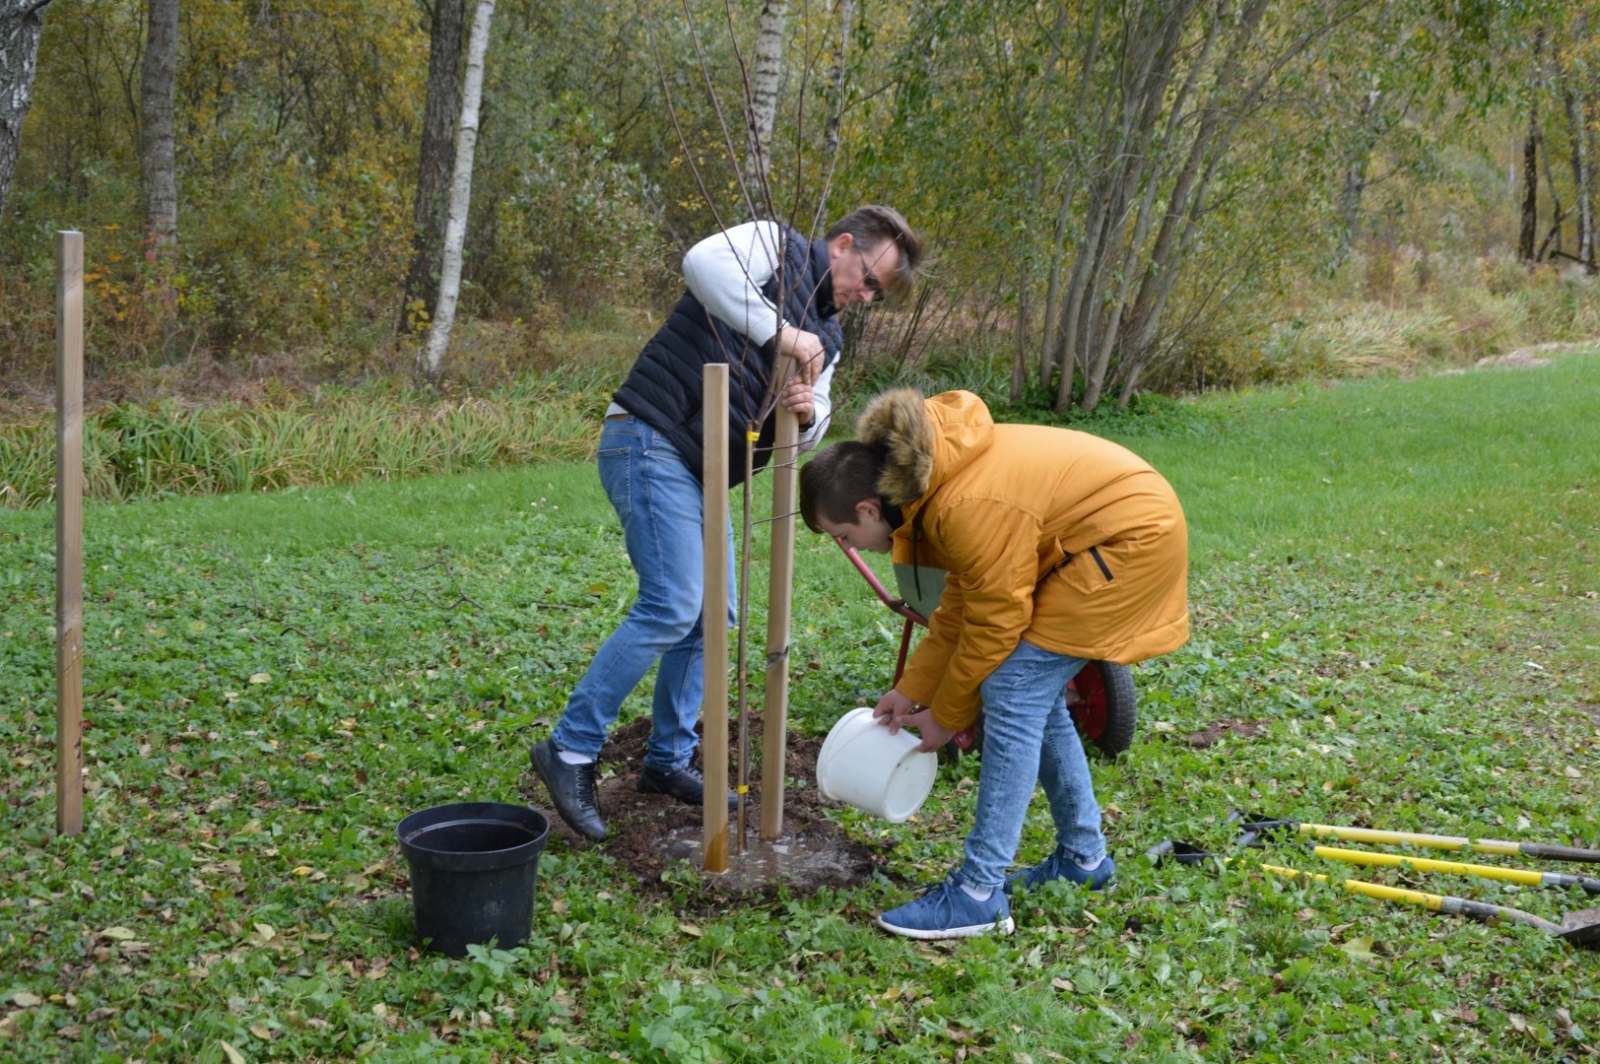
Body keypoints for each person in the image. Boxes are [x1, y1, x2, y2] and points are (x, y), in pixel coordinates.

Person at [530, 207, 924, 842]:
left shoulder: (828, 334)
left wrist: (808, 407)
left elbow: (814, 416)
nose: (865, 296)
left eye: (876, 293)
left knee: (719, 616)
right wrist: (782, 334)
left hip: (707, 470)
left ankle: (665, 760)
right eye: (869, 279)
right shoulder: (775, 245)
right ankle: (570, 750)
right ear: (845, 245)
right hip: (651, 438)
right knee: (675, 603)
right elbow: (701, 265)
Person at [798, 388, 1188, 939]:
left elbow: (994, 624)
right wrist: (912, 690)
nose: (848, 543)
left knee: (1013, 691)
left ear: (867, 509)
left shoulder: (962, 505)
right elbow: (962, 602)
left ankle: (979, 893)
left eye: (844, 535)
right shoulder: (937, 486)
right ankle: (1084, 861)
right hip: (1093, 542)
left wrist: (947, 716)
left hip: (1128, 542)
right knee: (1033, 695)